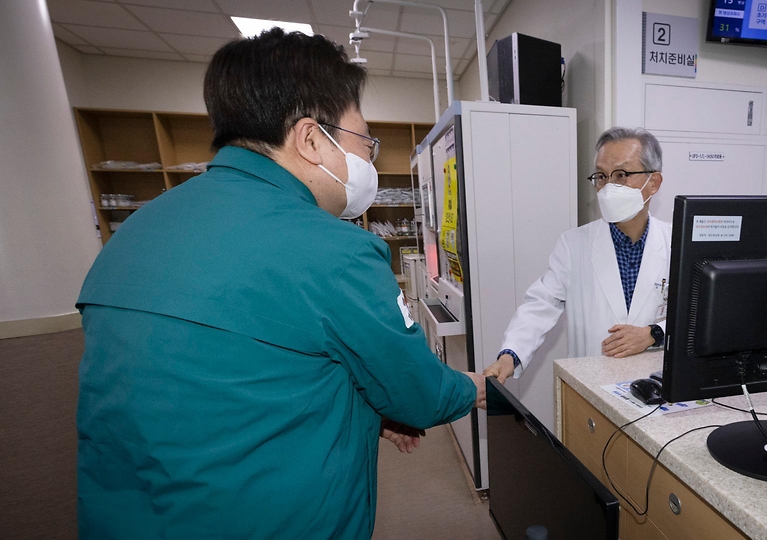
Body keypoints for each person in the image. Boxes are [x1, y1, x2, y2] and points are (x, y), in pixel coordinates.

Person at [75, 29, 485, 539]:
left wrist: (366, 413)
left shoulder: (136, 231)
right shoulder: (333, 250)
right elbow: (421, 395)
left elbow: (226, 378)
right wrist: (470, 387)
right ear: (312, 139)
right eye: (365, 142)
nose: (370, 161)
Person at [485, 127, 671, 382]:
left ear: (654, 183)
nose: (607, 187)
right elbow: (541, 304)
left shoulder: (676, 243)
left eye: (621, 175)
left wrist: (654, 333)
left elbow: (697, 317)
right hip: (592, 386)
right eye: (601, 176)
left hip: (656, 387)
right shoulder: (574, 245)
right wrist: (510, 355)